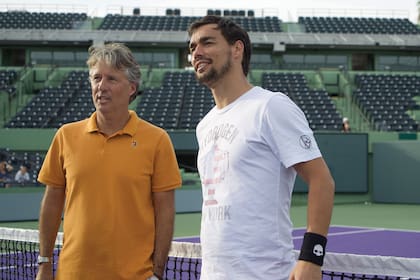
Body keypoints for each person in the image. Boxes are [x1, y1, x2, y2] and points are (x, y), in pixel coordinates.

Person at [188, 16, 335, 280]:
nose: (196, 52)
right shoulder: (204, 125)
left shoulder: (270, 106)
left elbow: (321, 180)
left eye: (207, 43)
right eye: (192, 47)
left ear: (237, 49)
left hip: (266, 274)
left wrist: (312, 257)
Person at [36, 42, 182, 280]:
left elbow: (165, 211)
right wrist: (44, 262)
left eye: (111, 79)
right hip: (72, 274)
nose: (101, 86)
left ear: (132, 88)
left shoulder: (157, 140)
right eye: (96, 78)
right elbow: (51, 203)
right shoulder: (65, 136)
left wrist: (157, 272)